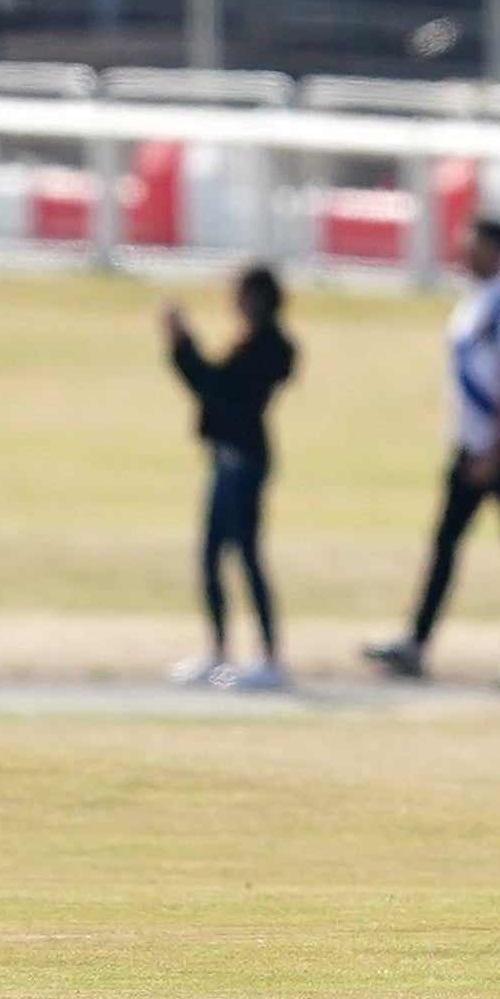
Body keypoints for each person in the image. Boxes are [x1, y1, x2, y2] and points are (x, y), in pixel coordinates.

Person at [361, 214, 500, 689]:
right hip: (470, 444)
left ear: (496, 250)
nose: (463, 252)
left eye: (474, 244)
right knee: (446, 543)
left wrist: (498, 448)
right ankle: (416, 642)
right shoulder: (473, 304)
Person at [163, 267, 300, 690]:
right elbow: (210, 385)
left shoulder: (270, 347)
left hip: (246, 461)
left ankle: (269, 657)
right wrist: (181, 345)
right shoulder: (248, 342)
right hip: (225, 459)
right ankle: (219, 650)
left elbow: (216, 386)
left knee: (247, 556)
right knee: (210, 555)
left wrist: (182, 343)